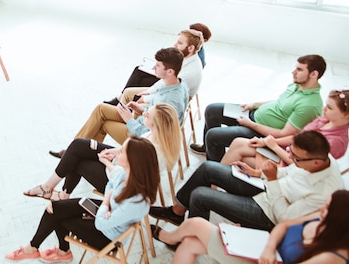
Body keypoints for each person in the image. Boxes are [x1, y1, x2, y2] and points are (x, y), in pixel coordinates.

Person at [149, 131, 344, 231]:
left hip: (268, 213)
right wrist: (257, 172)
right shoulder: (320, 159)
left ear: (317, 162)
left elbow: (283, 218)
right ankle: (177, 211)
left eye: (298, 158)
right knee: (208, 168)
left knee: (200, 196)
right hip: (267, 186)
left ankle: (188, 237)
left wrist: (272, 180)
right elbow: (292, 171)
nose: (293, 160)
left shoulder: (324, 193)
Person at [5, 137, 160, 263]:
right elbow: (114, 179)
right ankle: (54, 250)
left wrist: (106, 202)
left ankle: (39, 250)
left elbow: (101, 223)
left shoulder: (136, 201)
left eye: (122, 150)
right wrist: (105, 163)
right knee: (55, 207)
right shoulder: (132, 177)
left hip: (106, 236)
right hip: (107, 216)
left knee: (56, 214)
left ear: (133, 161)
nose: (117, 150)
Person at [49, 47, 188, 158]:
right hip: (141, 120)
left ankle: (78, 152)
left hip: (141, 138)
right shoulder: (177, 85)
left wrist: (129, 120)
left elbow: (149, 136)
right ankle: (78, 150)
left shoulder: (169, 101)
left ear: (170, 71)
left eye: (158, 65)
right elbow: (155, 117)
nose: (153, 68)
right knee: (101, 109)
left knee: (102, 124)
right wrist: (139, 108)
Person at [24, 104, 181, 200]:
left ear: (158, 124)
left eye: (147, 114)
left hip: (118, 182)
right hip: (118, 162)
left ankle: (60, 194)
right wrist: (113, 152)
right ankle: (50, 189)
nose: (144, 113)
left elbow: (124, 176)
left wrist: (106, 161)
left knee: (75, 159)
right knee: (78, 145)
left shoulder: (153, 152)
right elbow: (127, 150)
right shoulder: (153, 134)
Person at [150, 189, 349, 264]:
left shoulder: (330, 257)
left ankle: (169, 238)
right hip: (264, 246)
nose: (322, 208)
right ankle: (171, 239)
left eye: (327, 207)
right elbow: (285, 225)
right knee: (191, 243)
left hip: (259, 259)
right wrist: (268, 246)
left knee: (195, 225)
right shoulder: (322, 217)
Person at [190, 54, 326, 161]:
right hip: (253, 115)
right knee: (212, 110)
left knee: (213, 136)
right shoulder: (297, 85)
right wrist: (254, 105)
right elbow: (279, 102)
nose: (293, 72)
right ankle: (209, 150)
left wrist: (250, 125)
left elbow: (284, 134)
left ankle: (216, 167)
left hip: (261, 132)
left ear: (314, 74)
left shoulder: (310, 105)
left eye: (299, 69)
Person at [221, 89, 349, 168]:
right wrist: (266, 142)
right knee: (238, 142)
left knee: (240, 156)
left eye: (330, 107)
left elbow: (302, 167)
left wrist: (274, 146)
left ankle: (213, 184)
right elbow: (297, 137)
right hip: (283, 152)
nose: (323, 108)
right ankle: (213, 184)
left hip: (289, 168)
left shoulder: (337, 142)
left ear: (346, 115)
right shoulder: (325, 119)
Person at [105, 28, 204, 105]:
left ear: (191, 48)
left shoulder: (190, 73)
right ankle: (121, 102)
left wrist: (146, 96)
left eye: (179, 43)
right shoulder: (187, 57)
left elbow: (167, 93)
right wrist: (148, 91)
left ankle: (124, 108)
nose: (175, 45)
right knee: (139, 71)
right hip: (168, 84)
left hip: (171, 97)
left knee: (140, 82)